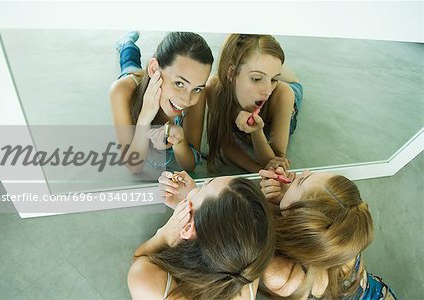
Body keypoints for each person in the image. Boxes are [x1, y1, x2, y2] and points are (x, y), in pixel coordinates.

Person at [127, 173, 275, 299]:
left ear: (187, 228)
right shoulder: (248, 264)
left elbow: (139, 260)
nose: (202, 183)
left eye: (204, 186)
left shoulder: (151, 284)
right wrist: (198, 211)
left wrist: (165, 235)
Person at [258, 168, 398, 299]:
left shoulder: (281, 274)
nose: (305, 171)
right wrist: (287, 199)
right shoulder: (347, 228)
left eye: (301, 181)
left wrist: (264, 205)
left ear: (300, 220)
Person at [110, 31, 213, 173]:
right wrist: (144, 119)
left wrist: (180, 141)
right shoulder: (121, 90)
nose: (187, 100)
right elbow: (134, 166)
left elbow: (190, 166)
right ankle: (126, 44)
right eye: (179, 83)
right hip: (139, 83)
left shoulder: (197, 95)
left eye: (197, 88)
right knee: (129, 65)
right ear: (154, 70)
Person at [206, 34, 303, 173]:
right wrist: (260, 172)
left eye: (274, 79)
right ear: (231, 73)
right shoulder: (214, 88)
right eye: (257, 79)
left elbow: (275, 161)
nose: (268, 91)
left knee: (295, 83)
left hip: (291, 93)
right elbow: (227, 145)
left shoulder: (282, 95)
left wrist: (257, 132)